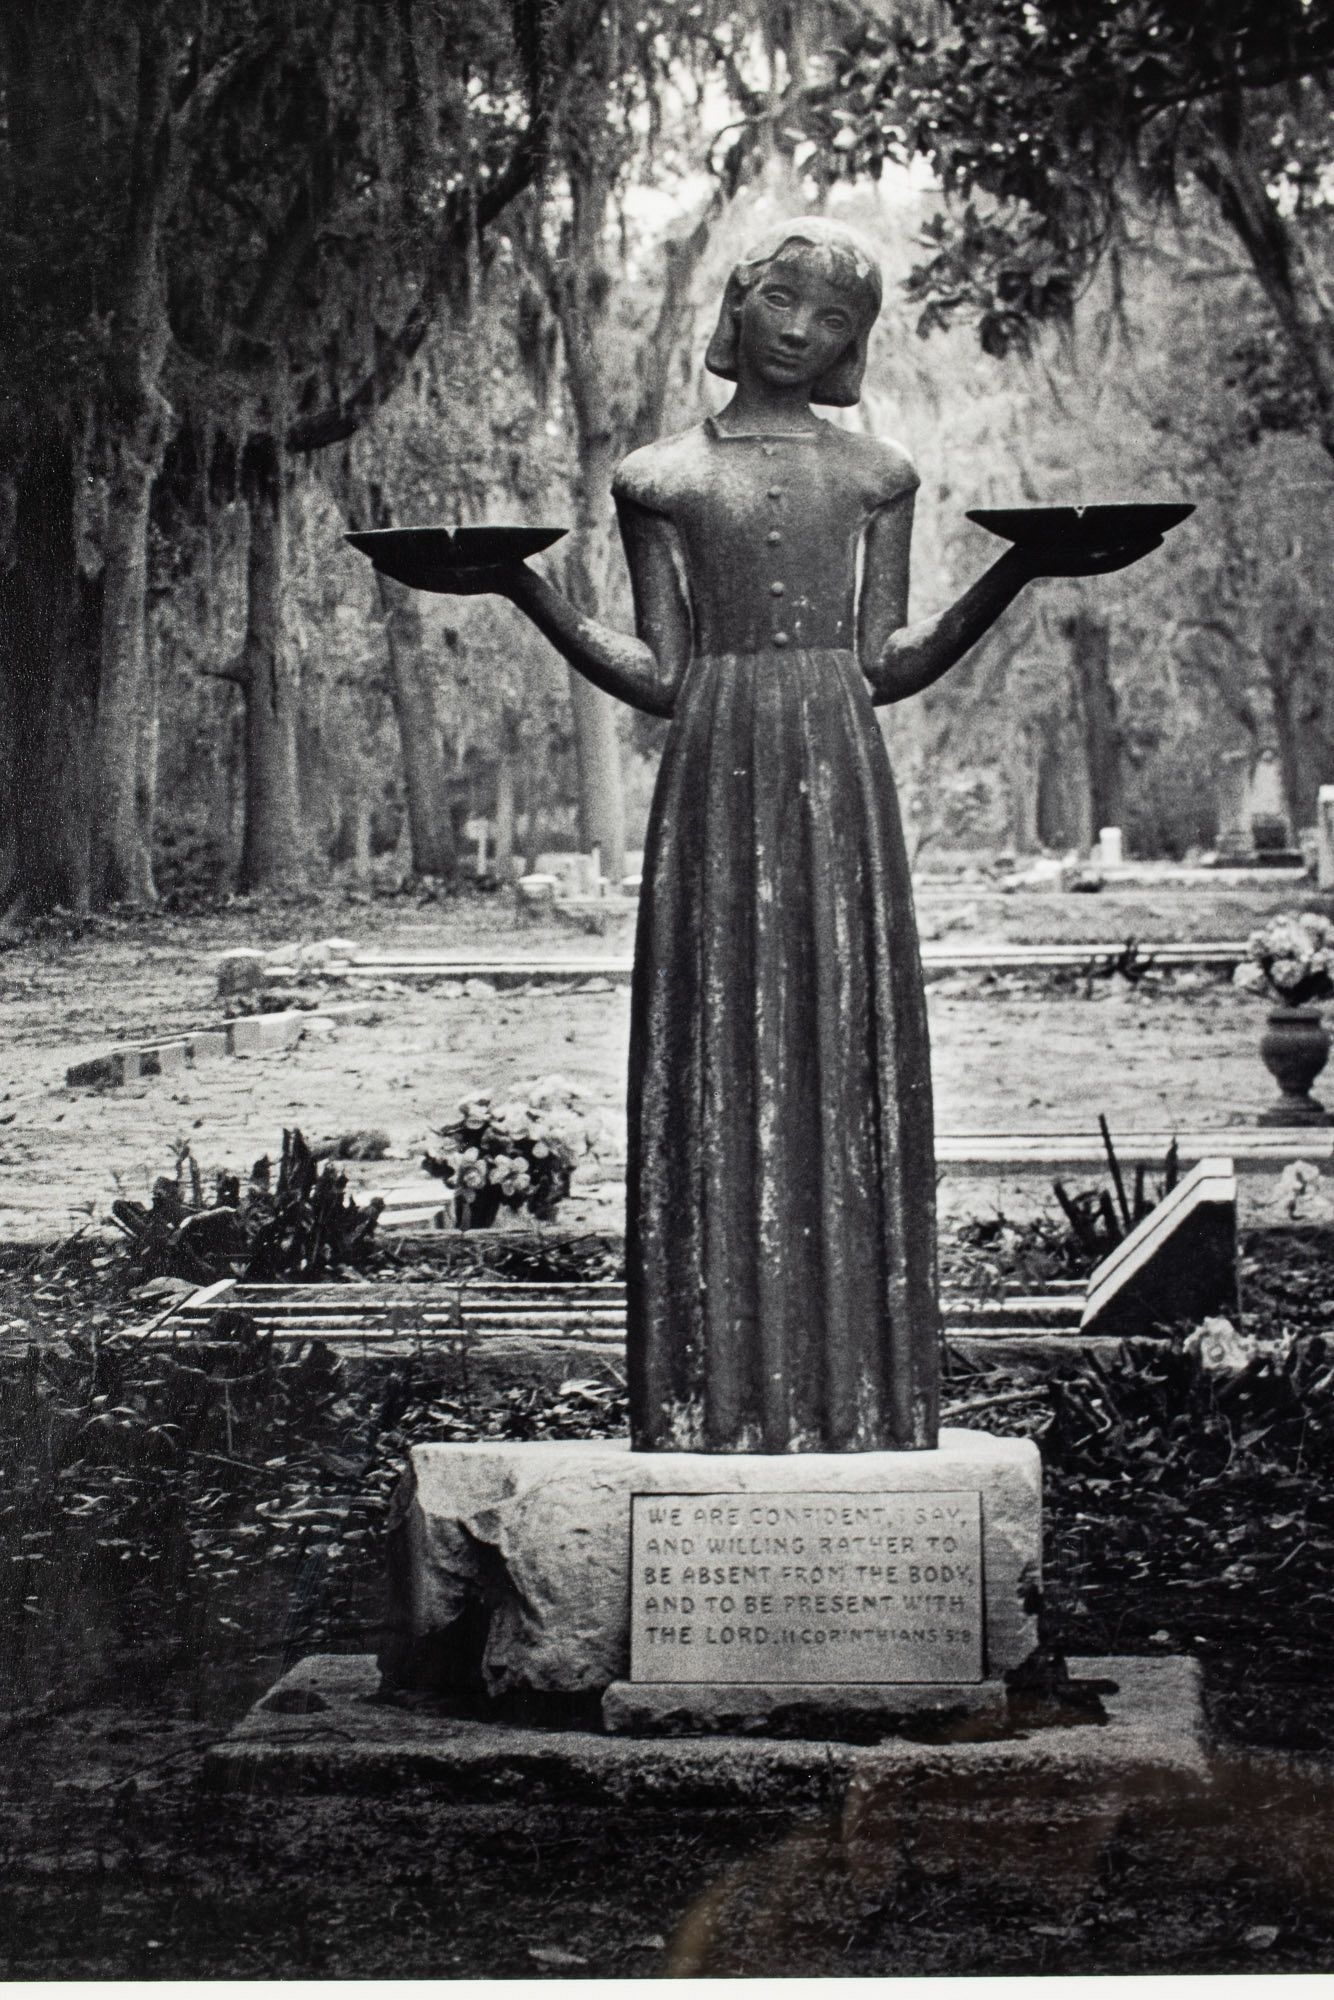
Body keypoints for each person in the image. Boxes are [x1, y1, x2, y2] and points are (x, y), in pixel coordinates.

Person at [449, 217, 1156, 1454]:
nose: (799, 330)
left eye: (831, 320)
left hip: (836, 758)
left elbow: (885, 661)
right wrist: (526, 588)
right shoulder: (658, 478)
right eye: (782, 300)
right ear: (740, 301)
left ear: (850, 342)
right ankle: (702, 1394)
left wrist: (1017, 573)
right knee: (712, 1033)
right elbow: (662, 673)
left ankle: (861, 1388)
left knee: (842, 1029)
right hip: (713, 755)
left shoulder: (876, 474)